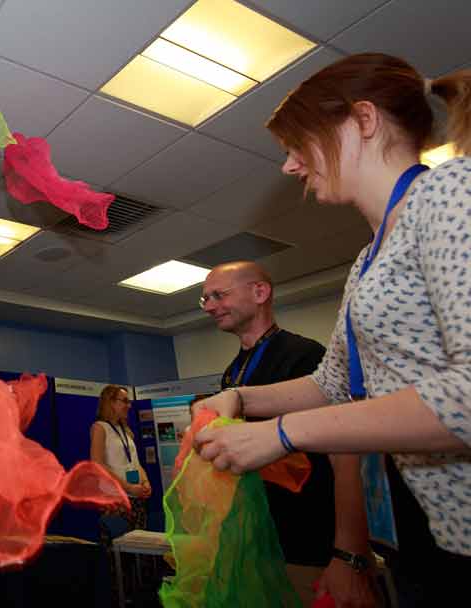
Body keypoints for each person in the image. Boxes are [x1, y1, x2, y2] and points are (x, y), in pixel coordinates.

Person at [192, 53, 471, 604]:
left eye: (299, 143)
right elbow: (333, 385)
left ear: (363, 120)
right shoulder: (366, 260)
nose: (290, 166)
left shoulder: (449, 193)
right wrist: (239, 398)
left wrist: (281, 435)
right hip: (414, 532)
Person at [199, 261, 375, 607]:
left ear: (260, 292)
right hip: (264, 542)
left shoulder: (304, 356)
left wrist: (348, 553)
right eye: (204, 299)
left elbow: (345, 454)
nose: (209, 306)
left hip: (311, 546)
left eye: (218, 295)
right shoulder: (232, 373)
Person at [90, 384, 150, 548]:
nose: (129, 406)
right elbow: (97, 464)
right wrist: (128, 487)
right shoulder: (100, 428)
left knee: (140, 550)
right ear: (110, 402)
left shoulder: (126, 430)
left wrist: (145, 482)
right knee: (119, 553)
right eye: (124, 401)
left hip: (136, 499)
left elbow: (135, 462)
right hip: (115, 500)